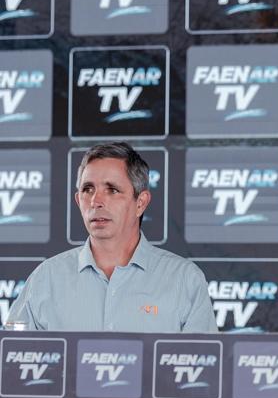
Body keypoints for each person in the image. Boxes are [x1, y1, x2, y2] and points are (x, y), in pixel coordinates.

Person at [8, 142, 217, 333]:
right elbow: (11, 355)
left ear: (141, 203)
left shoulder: (185, 280)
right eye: (88, 189)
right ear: (78, 201)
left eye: (112, 190)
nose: (95, 201)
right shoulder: (45, 278)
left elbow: (203, 360)